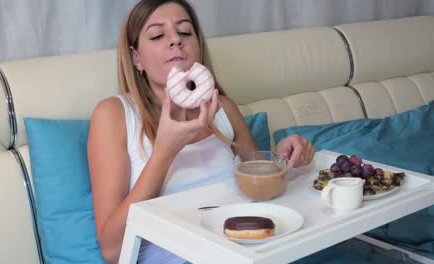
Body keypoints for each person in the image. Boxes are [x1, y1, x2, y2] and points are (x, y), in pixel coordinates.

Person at [87, 0, 315, 263]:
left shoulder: (223, 108)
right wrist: (164, 152)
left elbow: (264, 189)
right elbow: (112, 250)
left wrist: (287, 158)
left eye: (185, 32)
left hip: (244, 252)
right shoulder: (114, 115)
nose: (175, 40)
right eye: (158, 35)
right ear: (136, 58)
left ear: (197, 46)